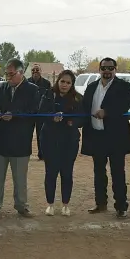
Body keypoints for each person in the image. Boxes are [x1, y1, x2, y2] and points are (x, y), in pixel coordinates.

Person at [81, 57, 130, 218]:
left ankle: (121, 206)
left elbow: (125, 104)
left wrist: (107, 112)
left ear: (115, 69)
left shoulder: (123, 86)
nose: (107, 71)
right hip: (96, 136)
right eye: (104, 68)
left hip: (116, 138)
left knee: (117, 172)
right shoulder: (91, 87)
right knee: (99, 172)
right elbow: (84, 106)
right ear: (99, 70)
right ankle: (101, 204)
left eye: (110, 68)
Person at [0, 58, 40, 218]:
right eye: (6, 74)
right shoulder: (1, 87)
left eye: (11, 74)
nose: (8, 78)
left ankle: (22, 206)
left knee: (20, 178)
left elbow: (34, 111)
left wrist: (14, 115)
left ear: (21, 73)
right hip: (1, 140)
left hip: (21, 141)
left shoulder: (33, 90)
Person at [38, 70, 84, 216]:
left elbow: (83, 119)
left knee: (67, 173)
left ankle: (65, 205)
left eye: (68, 82)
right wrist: (52, 118)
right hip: (49, 140)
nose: (65, 85)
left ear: (72, 84)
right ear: (58, 81)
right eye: (62, 81)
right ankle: (50, 204)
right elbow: (40, 114)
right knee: (50, 173)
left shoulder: (77, 98)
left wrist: (72, 122)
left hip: (69, 141)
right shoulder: (48, 95)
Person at [27, 63, 52, 160]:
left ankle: (42, 154)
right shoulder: (27, 82)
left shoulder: (46, 83)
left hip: (41, 113)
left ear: (41, 71)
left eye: (37, 70)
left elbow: (49, 97)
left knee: (41, 135)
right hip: (29, 113)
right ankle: (26, 153)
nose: (35, 72)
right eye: (33, 70)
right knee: (27, 134)